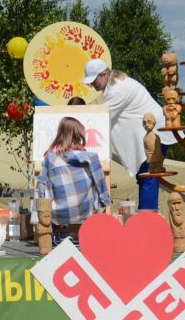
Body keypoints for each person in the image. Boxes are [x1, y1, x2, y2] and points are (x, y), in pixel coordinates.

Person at [83, 58, 174, 210]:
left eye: (93, 80)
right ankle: (147, 215)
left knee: (148, 176)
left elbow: (102, 117)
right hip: (152, 132)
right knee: (146, 177)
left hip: (154, 134)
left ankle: (148, 218)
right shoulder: (116, 85)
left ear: (103, 75)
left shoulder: (117, 89)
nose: (91, 85)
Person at [38, 117, 111, 244]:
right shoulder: (89, 157)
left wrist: (41, 209)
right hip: (85, 208)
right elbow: (100, 184)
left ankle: (60, 234)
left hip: (58, 212)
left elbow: (42, 186)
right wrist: (105, 200)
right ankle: (95, 233)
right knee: (96, 182)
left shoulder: (50, 158)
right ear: (77, 135)